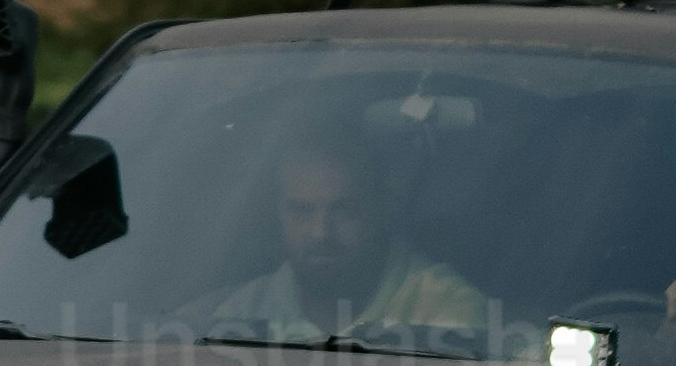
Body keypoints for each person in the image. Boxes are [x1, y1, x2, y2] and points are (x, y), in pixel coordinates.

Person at [213, 120, 503, 351]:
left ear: (380, 211)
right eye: (301, 211)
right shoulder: (241, 315)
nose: (320, 233)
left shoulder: (448, 315)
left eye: (344, 210)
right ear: (277, 214)